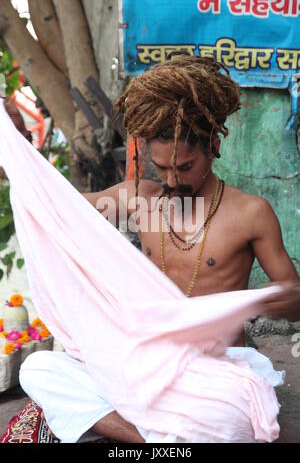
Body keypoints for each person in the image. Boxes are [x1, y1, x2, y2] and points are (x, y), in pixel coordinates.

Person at [19, 53, 300, 443]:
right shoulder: (141, 199)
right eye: (161, 167)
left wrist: (255, 301)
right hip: (143, 362)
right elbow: (61, 205)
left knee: (236, 417)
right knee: (38, 370)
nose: (171, 180)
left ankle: (153, 428)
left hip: (215, 368)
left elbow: (295, 297)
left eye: (184, 167)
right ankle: (158, 439)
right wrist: (16, 158)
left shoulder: (250, 213)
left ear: (213, 147)